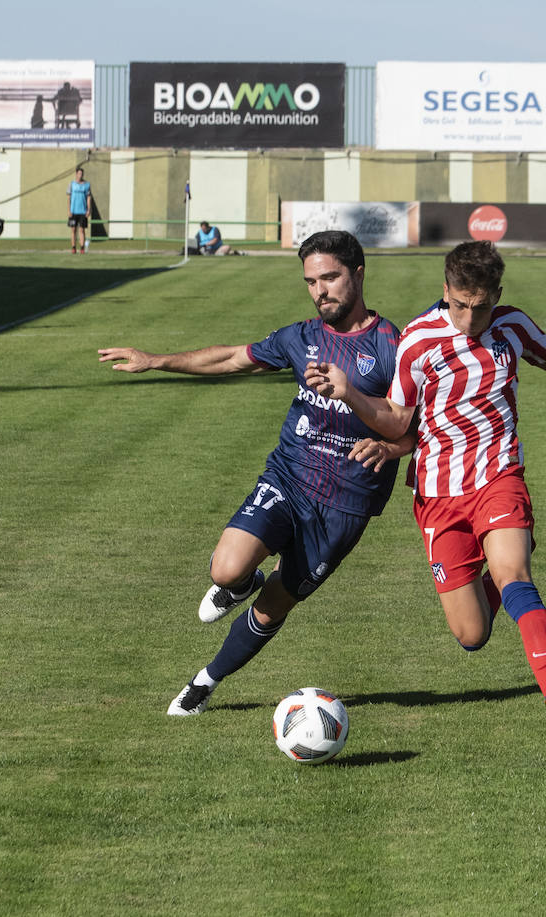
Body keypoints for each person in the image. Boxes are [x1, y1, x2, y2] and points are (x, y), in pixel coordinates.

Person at [305, 240, 546, 744]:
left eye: (481, 308)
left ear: (496, 295)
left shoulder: (513, 326)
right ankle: (502, 579)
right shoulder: (417, 339)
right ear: (446, 291)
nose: (470, 318)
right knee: (472, 635)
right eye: (460, 305)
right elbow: (397, 419)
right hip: (437, 493)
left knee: (515, 574)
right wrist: (350, 393)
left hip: (499, 477)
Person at [97, 230, 403, 717]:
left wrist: (390, 446)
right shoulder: (300, 338)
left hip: (346, 504)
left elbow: (417, 425)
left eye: (330, 277)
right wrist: (157, 361)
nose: (320, 290)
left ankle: (205, 681)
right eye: (310, 281)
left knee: (275, 604)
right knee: (225, 568)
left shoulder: (395, 347)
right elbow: (233, 357)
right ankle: (238, 583)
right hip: (290, 476)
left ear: (358, 274)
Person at [68, 168, 91, 254]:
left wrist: (88, 210)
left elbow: (88, 198)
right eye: (79, 173)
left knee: (82, 230)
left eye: (82, 174)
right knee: (73, 229)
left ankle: (82, 248)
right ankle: (73, 247)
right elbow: (68, 198)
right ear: (76, 174)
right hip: (73, 211)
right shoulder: (72, 184)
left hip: (82, 211)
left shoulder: (87, 185)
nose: (80, 175)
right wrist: (69, 210)